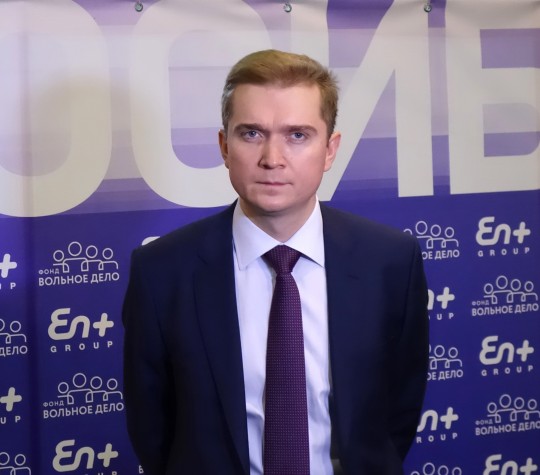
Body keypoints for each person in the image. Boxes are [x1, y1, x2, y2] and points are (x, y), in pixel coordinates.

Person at [122, 49, 429, 475]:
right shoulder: (161, 271)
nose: (272, 158)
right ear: (224, 146)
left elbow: (396, 414)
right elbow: (152, 429)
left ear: (330, 150)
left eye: (297, 135)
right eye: (251, 134)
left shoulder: (391, 261)